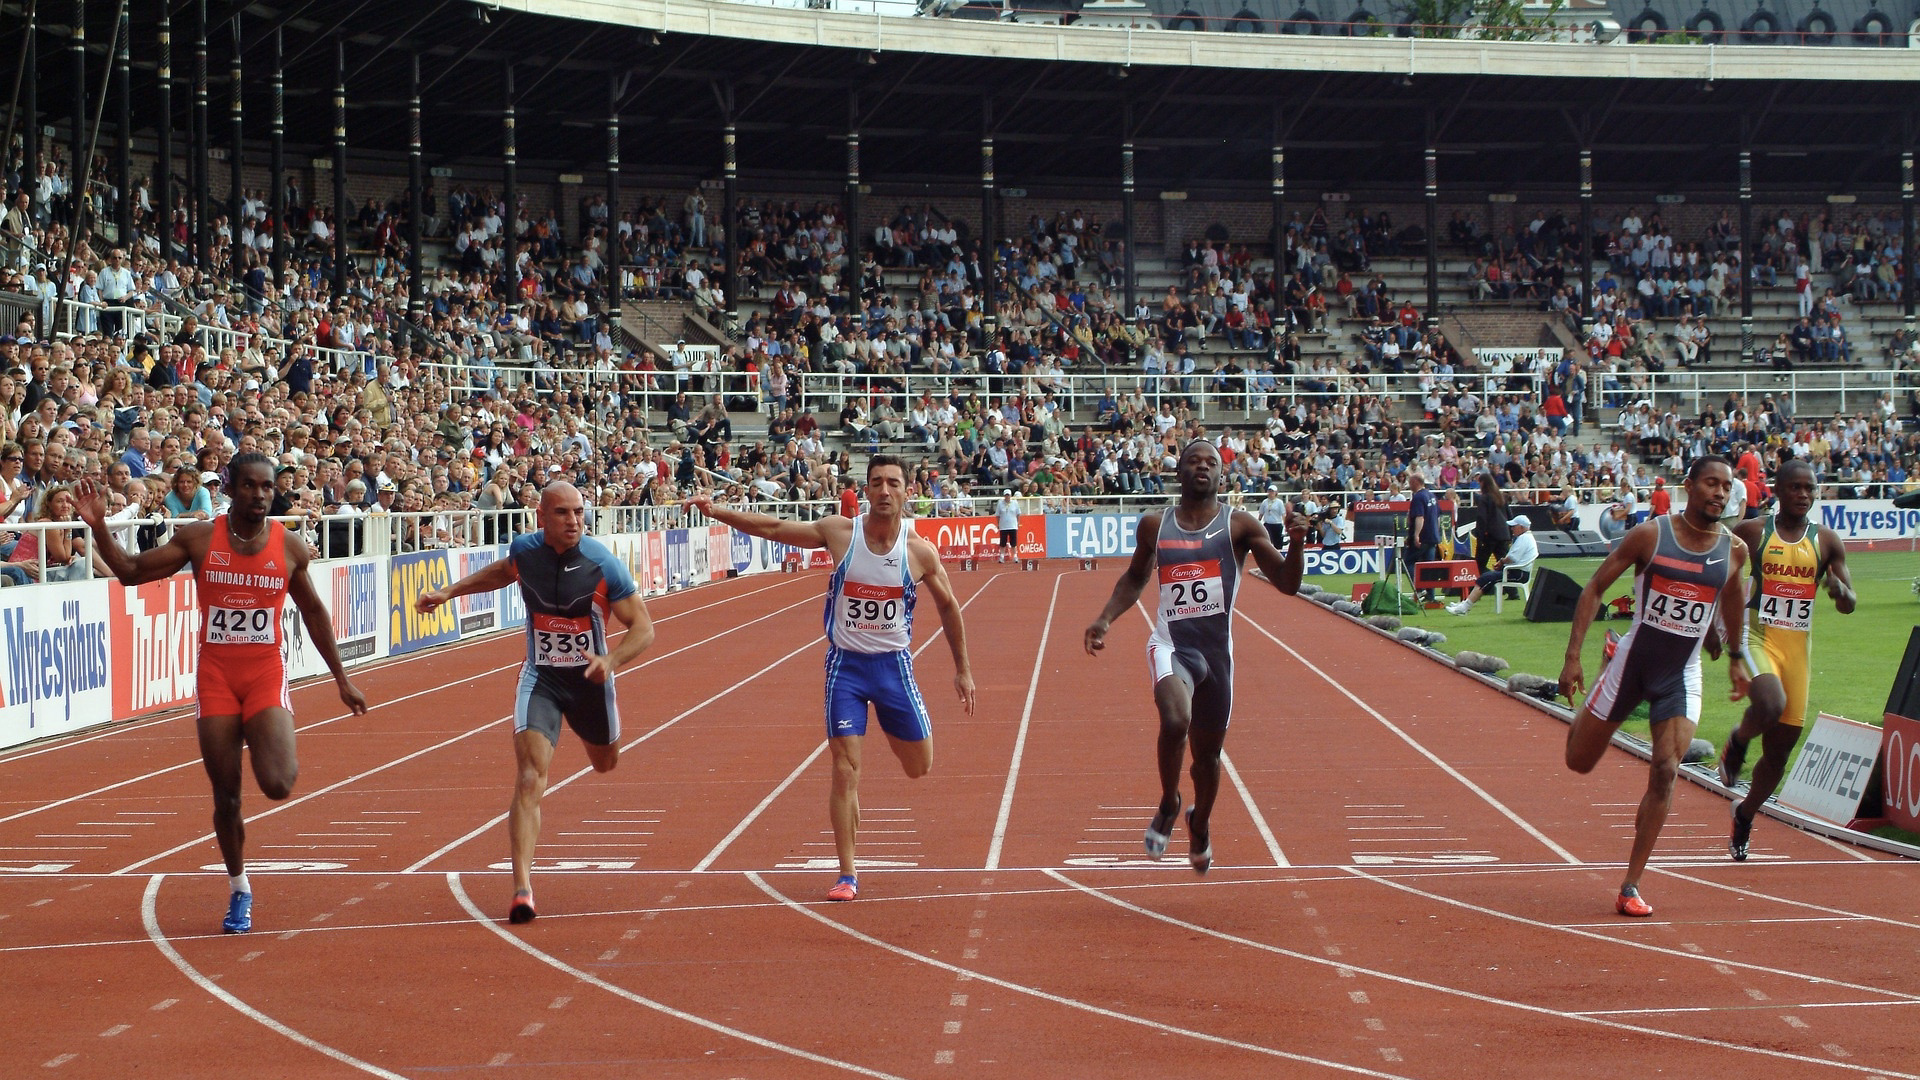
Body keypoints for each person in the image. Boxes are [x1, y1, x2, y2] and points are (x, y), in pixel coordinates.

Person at [74, 456, 370, 934]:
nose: (259, 495)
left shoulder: (290, 547)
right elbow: (129, 572)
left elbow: (314, 612)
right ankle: (239, 889)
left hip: (263, 674)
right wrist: (100, 526)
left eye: (268, 487)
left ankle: (263, 730)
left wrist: (341, 678)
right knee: (227, 798)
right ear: (231, 487)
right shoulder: (199, 538)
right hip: (215, 676)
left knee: (277, 784)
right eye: (249, 486)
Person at [690, 454, 974, 902]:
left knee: (920, 767)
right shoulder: (841, 533)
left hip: (894, 667)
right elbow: (772, 528)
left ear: (907, 491)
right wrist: (717, 511)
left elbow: (950, 606)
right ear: (866, 490)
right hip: (846, 667)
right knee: (845, 769)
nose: (884, 491)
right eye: (876, 482)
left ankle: (888, 722)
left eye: (893, 483)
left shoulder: (919, 552)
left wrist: (963, 670)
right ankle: (847, 873)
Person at [415, 481, 655, 924]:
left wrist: (612, 659)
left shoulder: (602, 564)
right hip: (541, 679)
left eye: (580, 512)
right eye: (563, 513)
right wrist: (449, 591)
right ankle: (522, 889)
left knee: (605, 763)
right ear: (541, 517)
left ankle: (589, 733)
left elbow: (643, 627)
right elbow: (500, 573)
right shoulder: (526, 551)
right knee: (529, 778)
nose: (574, 521)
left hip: (590, 683)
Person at [1083, 440, 1309, 873]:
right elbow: (1135, 578)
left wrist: (1297, 544)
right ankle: (1169, 802)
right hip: (1172, 645)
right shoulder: (1155, 526)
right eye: (1193, 461)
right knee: (1174, 720)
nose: (1202, 467)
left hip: (1216, 660)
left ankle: (1199, 822)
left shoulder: (1240, 526)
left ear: (1222, 475)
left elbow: (1287, 583)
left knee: (1207, 760)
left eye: (1211, 462)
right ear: (1179, 471)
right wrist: (1105, 618)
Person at [1559, 456, 1749, 917]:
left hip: (1680, 674)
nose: (1720, 494)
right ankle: (1607, 664)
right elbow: (1595, 588)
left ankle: (1630, 885)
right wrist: (1571, 658)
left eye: (1727, 487)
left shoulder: (1734, 549)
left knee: (1666, 769)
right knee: (1578, 761)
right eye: (1711, 484)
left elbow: (1732, 598)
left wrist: (1734, 654)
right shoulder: (1651, 535)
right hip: (1631, 665)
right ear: (1689, 486)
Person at [1719, 459, 1855, 860]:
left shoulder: (1827, 541)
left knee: (1779, 751)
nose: (1803, 495)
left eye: (1810, 488)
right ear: (1777, 490)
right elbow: (1720, 577)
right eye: (1795, 488)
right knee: (1769, 703)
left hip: (1798, 648)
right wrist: (1715, 629)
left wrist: (1841, 593)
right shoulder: (1753, 531)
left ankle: (1744, 814)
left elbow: (1849, 602)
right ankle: (1738, 741)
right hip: (1758, 635)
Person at [1446, 515, 1536, 615]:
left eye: (1514, 526)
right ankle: (1464, 605)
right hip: (1517, 572)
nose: (1511, 529)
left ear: (1521, 527)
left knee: (1485, 579)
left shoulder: (1524, 538)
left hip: (1517, 573)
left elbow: (1512, 558)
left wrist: (1501, 562)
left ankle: (1464, 607)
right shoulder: (1527, 538)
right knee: (1485, 578)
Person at [1403, 471, 1440, 601]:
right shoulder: (1432, 495)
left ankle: (1419, 589)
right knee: (1429, 566)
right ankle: (1431, 596)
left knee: (1408, 562)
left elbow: (1420, 517)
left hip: (1423, 537)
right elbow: (1437, 517)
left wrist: (1416, 535)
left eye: (1410, 482)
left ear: (1415, 482)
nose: (1409, 485)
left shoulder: (1418, 497)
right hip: (1433, 536)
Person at [995, 488, 1020, 563]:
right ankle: (1001, 557)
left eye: (1008, 495)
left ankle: (1015, 556)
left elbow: (1018, 513)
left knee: (1013, 543)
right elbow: (997, 515)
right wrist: (998, 523)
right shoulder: (1000, 503)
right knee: (1003, 542)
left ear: (1010, 496)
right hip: (1003, 526)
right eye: (1006, 495)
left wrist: (1017, 522)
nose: (1007, 497)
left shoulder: (1015, 503)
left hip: (1012, 525)